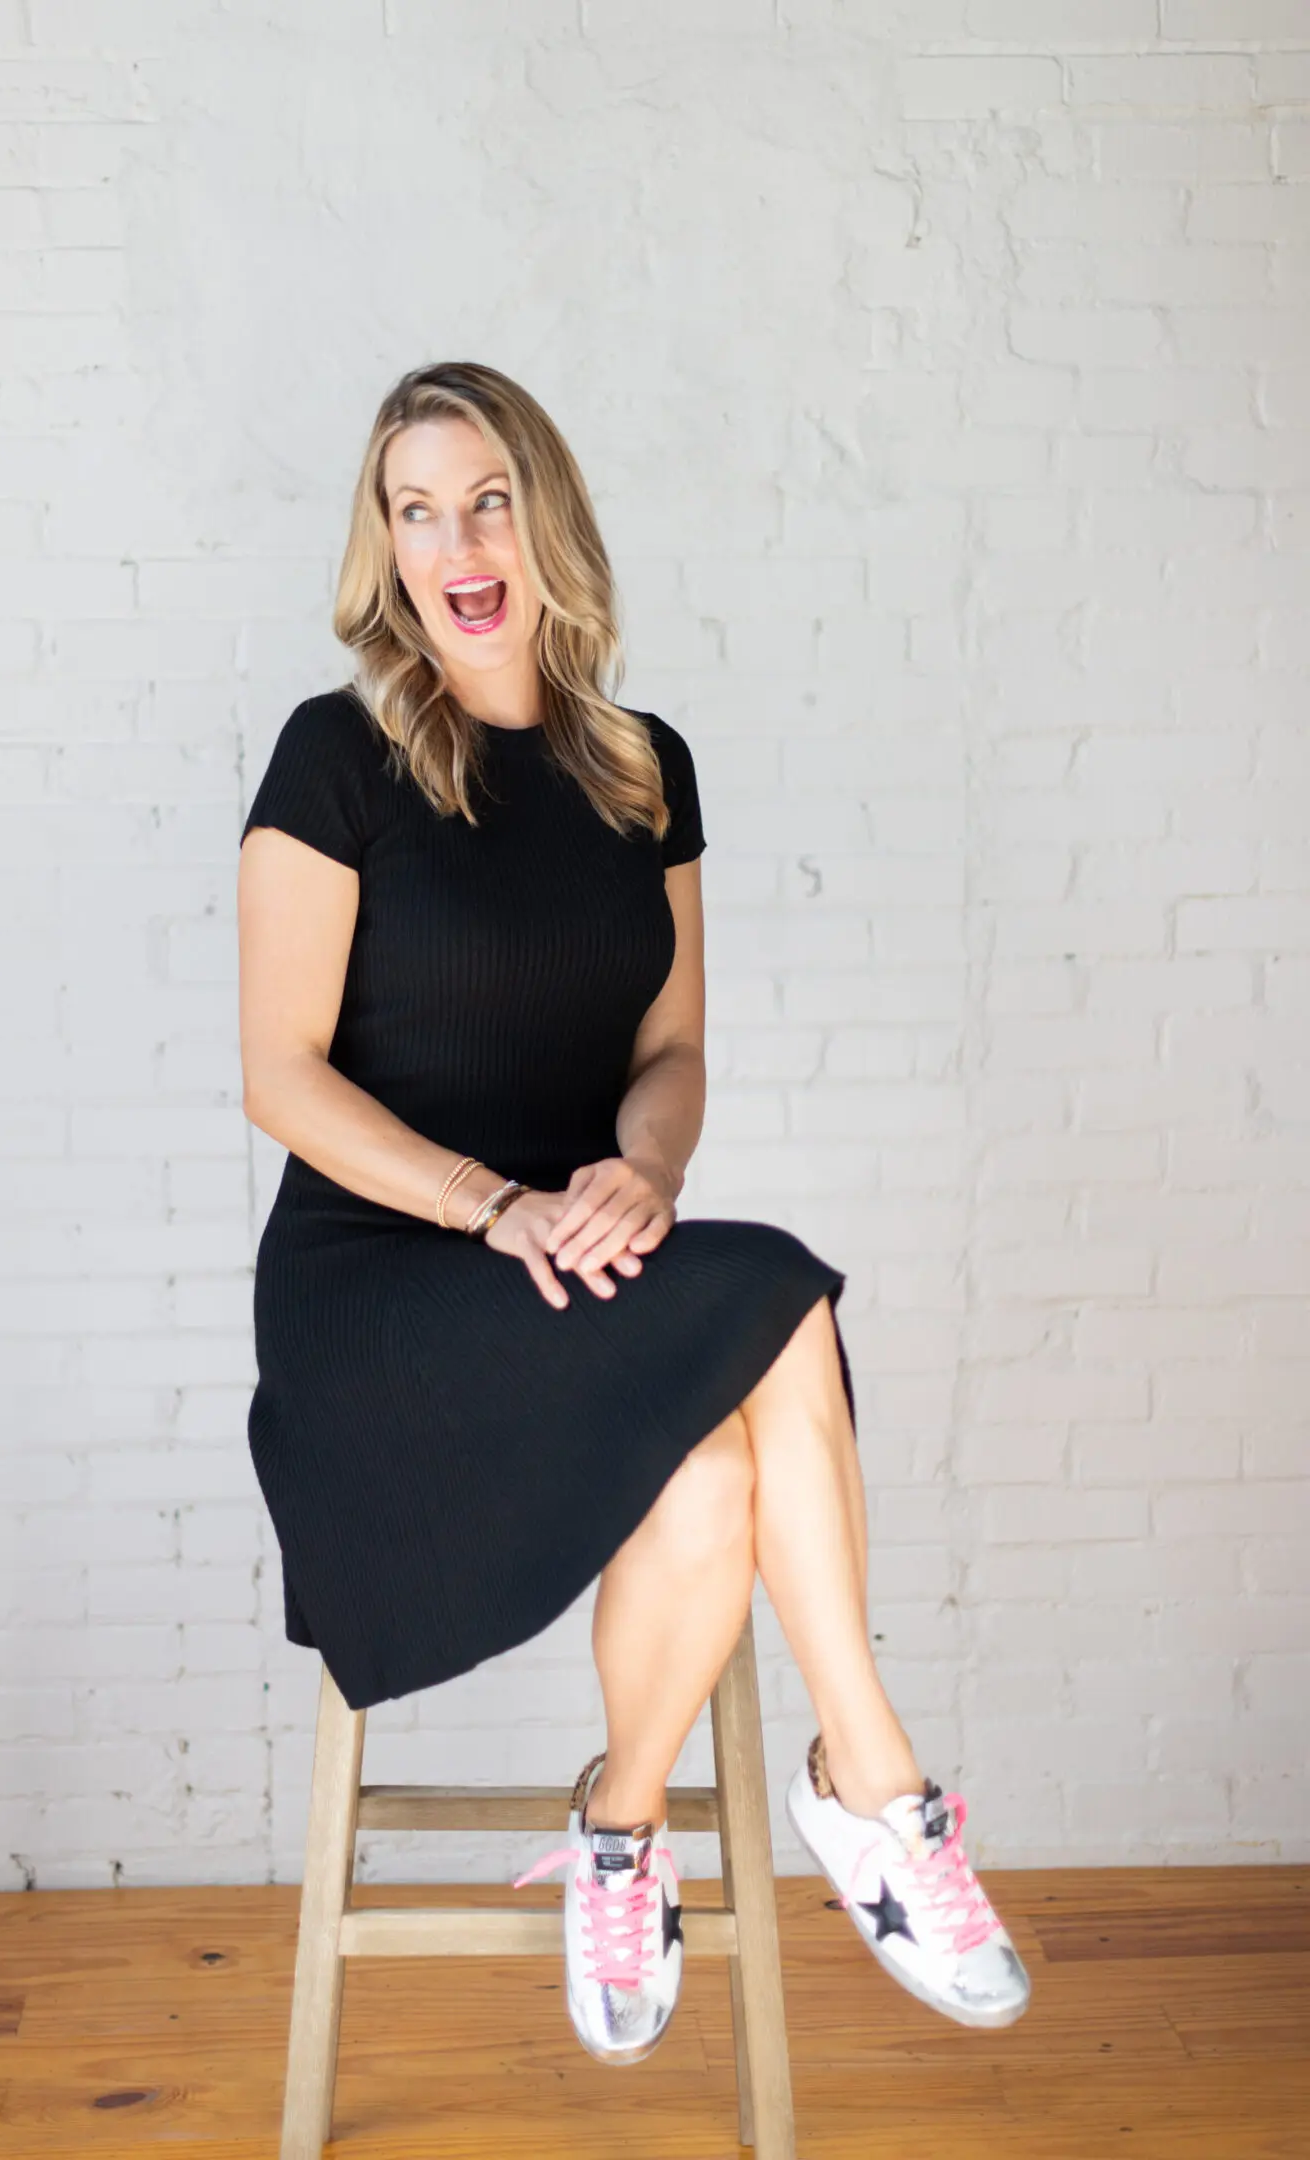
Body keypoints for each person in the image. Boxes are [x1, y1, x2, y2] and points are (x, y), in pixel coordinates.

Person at [236, 359, 1030, 2069]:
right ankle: (873, 1785)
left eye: (488, 498)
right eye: (415, 507)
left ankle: (617, 1828)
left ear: (547, 519)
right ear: (385, 544)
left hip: (574, 1256)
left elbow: (670, 1049)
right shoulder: (341, 755)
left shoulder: (640, 769)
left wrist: (642, 1175)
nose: (457, 539)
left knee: (719, 1462)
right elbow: (280, 1078)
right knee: (785, 1293)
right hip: (380, 1290)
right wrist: (494, 1204)